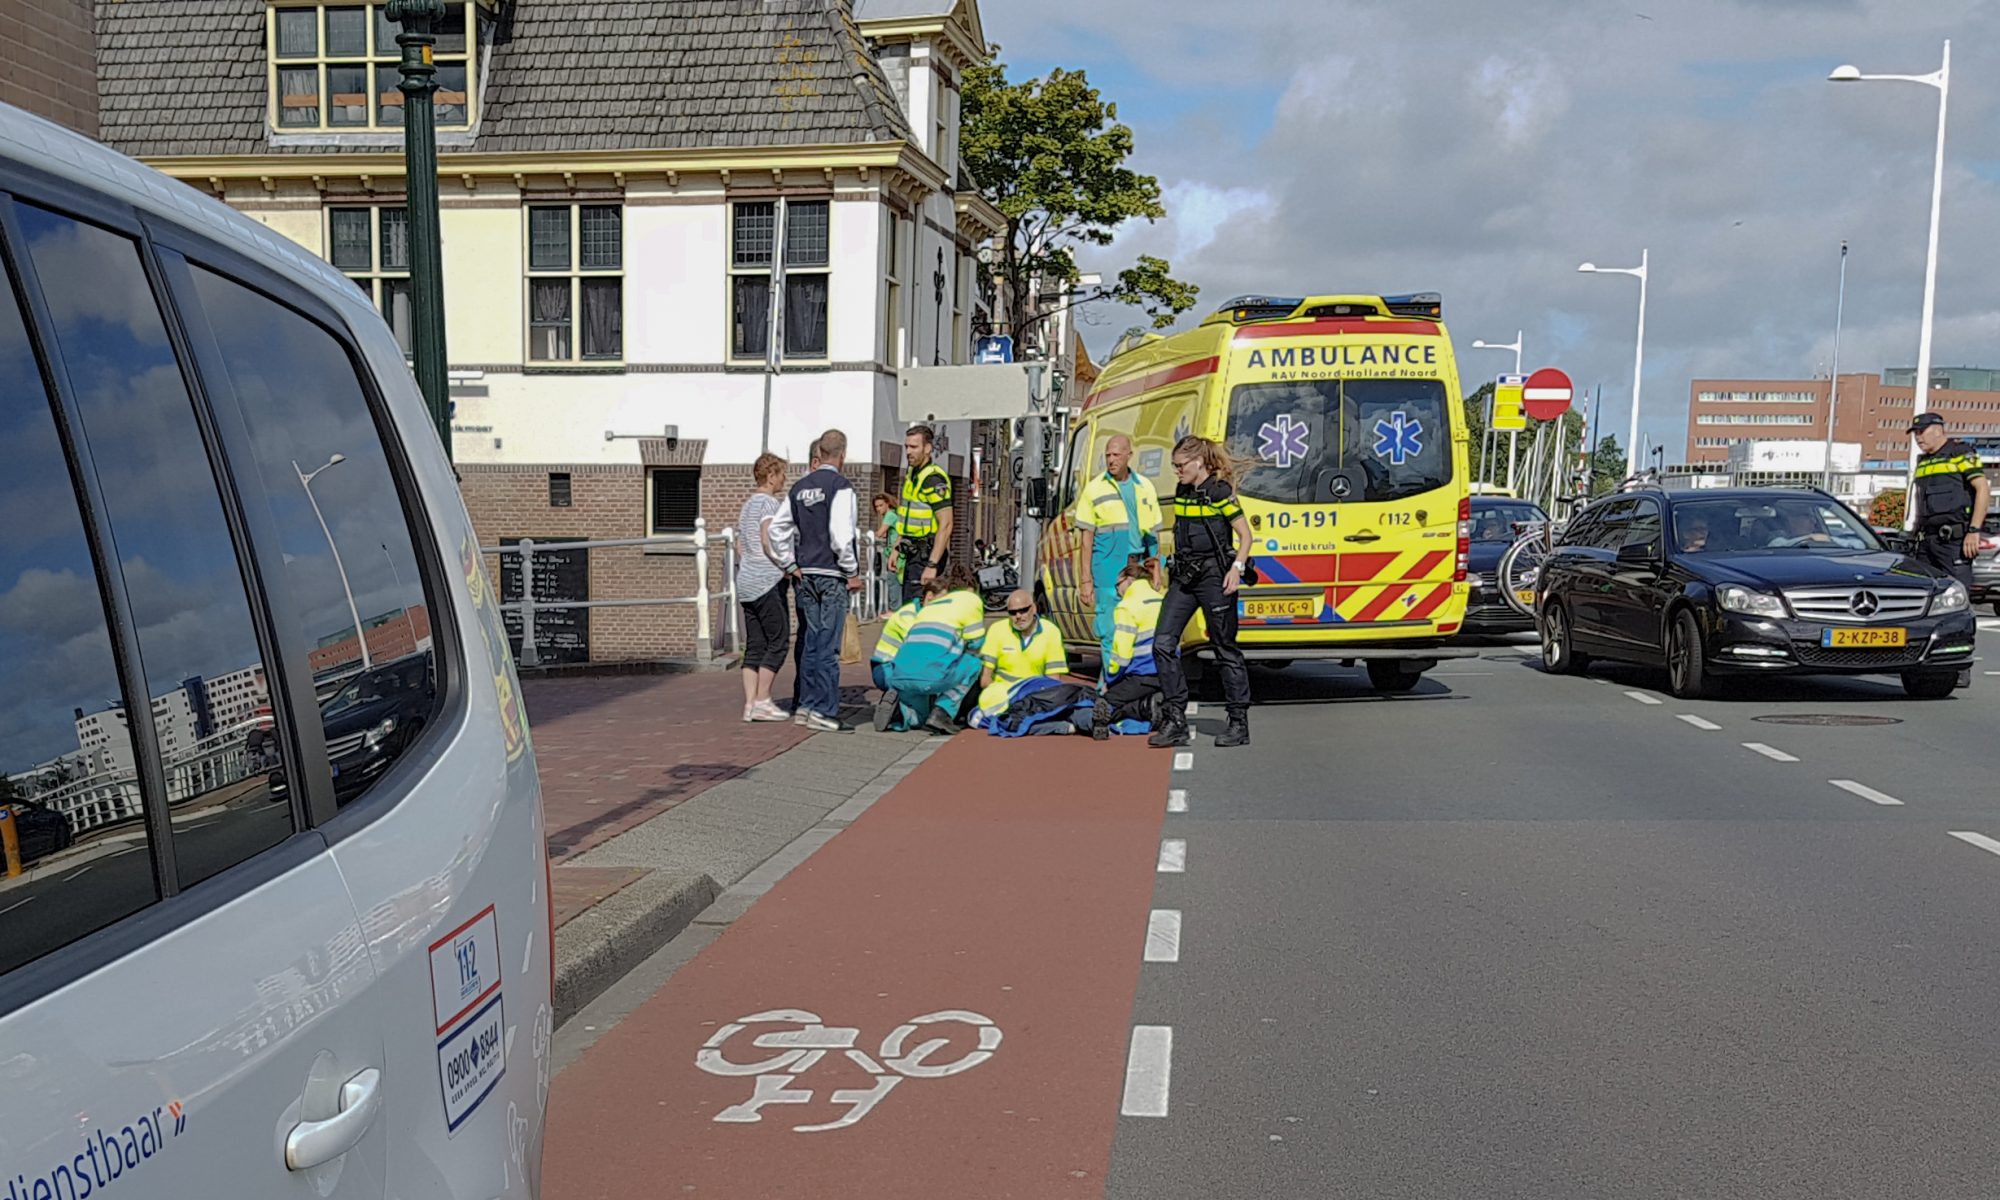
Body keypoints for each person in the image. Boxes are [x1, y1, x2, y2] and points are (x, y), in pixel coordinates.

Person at [1151, 435, 1254, 749]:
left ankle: (1238, 722)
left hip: (1214, 576)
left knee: (1224, 648)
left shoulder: (1219, 492)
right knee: (1163, 643)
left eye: (1181, 465)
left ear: (1199, 463)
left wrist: (1236, 570)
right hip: (1185, 576)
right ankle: (1175, 719)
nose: (1177, 471)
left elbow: (1246, 536)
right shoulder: (1183, 490)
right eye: (1175, 466)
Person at [769, 429, 862, 732]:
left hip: (805, 574)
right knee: (828, 646)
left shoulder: (799, 487)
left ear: (818, 454)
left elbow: (777, 529)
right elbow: (841, 535)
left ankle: (806, 706)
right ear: (843, 455)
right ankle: (824, 709)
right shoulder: (840, 486)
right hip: (831, 574)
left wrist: (788, 562)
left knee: (810, 641)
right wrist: (851, 570)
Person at [1909, 411, 1991, 687]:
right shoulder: (1924, 462)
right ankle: (1923, 659)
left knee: (1957, 603)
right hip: (1927, 540)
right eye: (1915, 433)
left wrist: (1974, 530)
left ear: (1938, 430)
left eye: (1921, 432)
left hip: (1954, 541)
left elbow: (1982, 489)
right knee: (1924, 602)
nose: (1918, 438)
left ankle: (1958, 664)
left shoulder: (1959, 453)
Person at [1075, 433, 1165, 669]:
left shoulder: (1144, 486)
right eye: (1107, 455)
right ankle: (1113, 685)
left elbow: (1154, 535)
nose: (1111, 460)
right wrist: (1085, 580)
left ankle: (1123, 687)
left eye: (1116, 455)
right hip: (1107, 569)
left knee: (1140, 628)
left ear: (1129, 455)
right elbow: (1086, 540)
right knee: (1109, 630)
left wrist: (1157, 571)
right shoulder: (1094, 489)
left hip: (1139, 568)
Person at [884, 563, 987, 734]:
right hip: (932, 678)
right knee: (974, 663)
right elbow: (976, 644)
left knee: (920, 720)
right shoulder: (971, 601)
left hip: (899, 674)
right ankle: (943, 711)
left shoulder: (929, 607)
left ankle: (903, 710)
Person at [736, 452, 793, 722]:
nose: (784, 479)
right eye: (781, 474)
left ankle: (749, 704)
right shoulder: (770, 505)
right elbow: (768, 537)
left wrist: (749, 561)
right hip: (766, 580)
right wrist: (786, 565)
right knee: (779, 640)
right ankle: (763, 699)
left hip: (745, 581)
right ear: (771, 476)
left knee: (755, 644)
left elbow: (740, 545)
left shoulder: (747, 505)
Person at [971, 589, 1070, 727]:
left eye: (1023, 610)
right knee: (980, 715)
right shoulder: (997, 629)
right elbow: (985, 680)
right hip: (1003, 694)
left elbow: (1053, 680)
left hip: (1034, 692)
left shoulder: (1051, 631)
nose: (1018, 616)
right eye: (1012, 612)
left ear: (1034, 608)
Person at [1093, 557, 1166, 739]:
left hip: (1142, 674)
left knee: (1105, 704)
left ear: (1129, 580)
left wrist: (1110, 681)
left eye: (1118, 584)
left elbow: (1122, 656)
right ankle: (1154, 704)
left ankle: (1143, 708)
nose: (1118, 591)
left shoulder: (1127, 607)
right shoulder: (1162, 600)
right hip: (1168, 673)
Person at [870, 577, 943, 731]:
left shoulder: (925, 615)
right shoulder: (909, 616)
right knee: (920, 719)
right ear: (929, 597)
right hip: (886, 669)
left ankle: (897, 701)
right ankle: (901, 712)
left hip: (899, 668)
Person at [896, 424, 954, 593]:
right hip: (911, 552)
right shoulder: (912, 474)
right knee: (909, 607)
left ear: (928, 448)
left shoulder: (933, 479)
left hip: (926, 554)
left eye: (914, 447)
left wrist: (932, 564)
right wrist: (896, 548)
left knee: (919, 609)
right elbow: (907, 516)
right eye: (906, 446)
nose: (908, 452)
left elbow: (946, 524)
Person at [872, 492, 904, 603]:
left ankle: (894, 607)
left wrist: (869, 535)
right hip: (896, 551)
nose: (878, 509)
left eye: (881, 505)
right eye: (876, 506)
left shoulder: (890, 515)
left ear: (888, 504)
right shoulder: (895, 514)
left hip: (895, 552)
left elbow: (880, 533)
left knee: (892, 579)